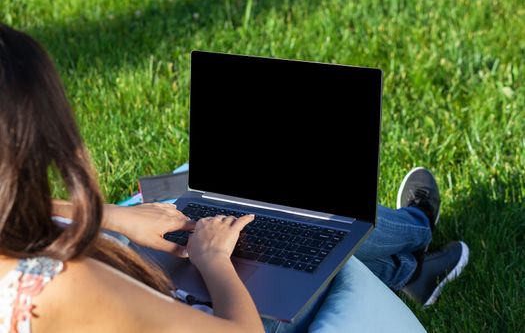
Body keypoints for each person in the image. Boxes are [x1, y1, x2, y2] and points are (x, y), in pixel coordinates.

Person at [0, 23, 468, 333]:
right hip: (221, 314)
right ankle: (415, 232)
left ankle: (412, 267)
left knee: (238, 200)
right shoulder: (60, 285)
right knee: (301, 217)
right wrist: (214, 261)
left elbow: (16, 210)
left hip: (163, 289)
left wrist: (117, 218)